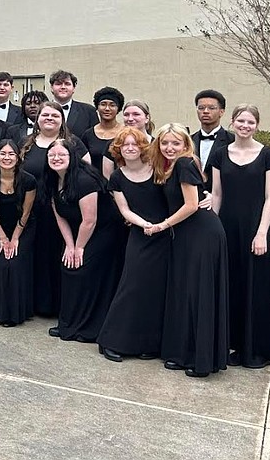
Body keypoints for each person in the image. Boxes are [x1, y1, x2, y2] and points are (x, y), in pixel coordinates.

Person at [151, 123, 229, 378]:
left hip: (201, 234)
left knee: (199, 294)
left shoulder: (184, 164)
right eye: (165, 143)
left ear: (186, 145)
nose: (170, 147)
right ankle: (185, 353)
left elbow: (191, 205)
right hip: (188, 234)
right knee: (188, 293)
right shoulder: (169, 166)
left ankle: (201, 359)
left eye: (176, 143)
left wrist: (163, 225)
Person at [207, 104, 270, 369]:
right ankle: (233, 345)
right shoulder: (220, 154)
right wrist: (212, 230)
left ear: (257, 125)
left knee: (256, 288)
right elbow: (217, 194)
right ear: (232, 122)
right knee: (231, 286)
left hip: (255, 229)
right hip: (227, 228)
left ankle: (257, 349)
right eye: (241, 121)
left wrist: (262, 233)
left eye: (250, 122)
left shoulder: (268, 155)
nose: (245, 126)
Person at [97, 127, 170, 361]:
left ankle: (147, 344)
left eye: (134, 144)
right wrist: (145, 224)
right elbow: (124, 210)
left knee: (155, 290)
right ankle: (111, 341)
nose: (130, 148)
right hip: (140, 235)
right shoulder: (117, 177)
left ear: (142, 147)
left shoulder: (157, 169)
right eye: (125, 145)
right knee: (131, 287)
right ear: (118, 149)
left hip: (165, 235)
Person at [43, 139, 122, 343]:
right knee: (67, 267)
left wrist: (79, 248)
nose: (56, 158)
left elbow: (90, 220)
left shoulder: (84, 180)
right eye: (52, 155)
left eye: (62, 155)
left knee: (82, 268)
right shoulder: (52, 179)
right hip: (80, 231)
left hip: (104, 231)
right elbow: (60, 217)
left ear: (72, 157)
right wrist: (69, 246)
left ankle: (89, 327)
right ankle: (70, 323)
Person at [19, 101, 87, 318]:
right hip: (32, 212)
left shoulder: (74, 144)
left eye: (55, 115)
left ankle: (59, 305)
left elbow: (87, 174)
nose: (49, 118)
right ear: (37, 119)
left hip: (63, 211)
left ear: (62, 120)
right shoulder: (25, 144)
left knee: (58, 256)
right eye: (45, 115)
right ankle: (36, 304)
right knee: (35, 257)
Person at [0, 139, 37, 327]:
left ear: (18, 157)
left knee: (14, 264)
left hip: (23, 228)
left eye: (11, 154)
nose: (7, 158)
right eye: (3, 154)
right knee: (1, 264)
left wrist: (14, 238)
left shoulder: (28, 180)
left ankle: (17, 313)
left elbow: (26, 213)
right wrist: (3, 238)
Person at [191, 90, 234, 192]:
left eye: (211, 108)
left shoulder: (232, 141)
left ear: (221, 112)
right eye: (201, 108)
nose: (205, 111)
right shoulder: (188, 141)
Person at [81, 86, 124, 176]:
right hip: (94, 182)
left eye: (112, 105)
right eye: (103, 104)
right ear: (97, 107)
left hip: (120, 183)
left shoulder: (126, 133)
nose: (107, 108)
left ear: (118, 109)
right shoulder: (88, 135)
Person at [49, 70, 97, 138]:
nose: (63, 87)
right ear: (51, 88)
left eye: (67, 84)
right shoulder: (42, 111)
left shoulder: (89, 111)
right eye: (58, 84)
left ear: (73, 88)